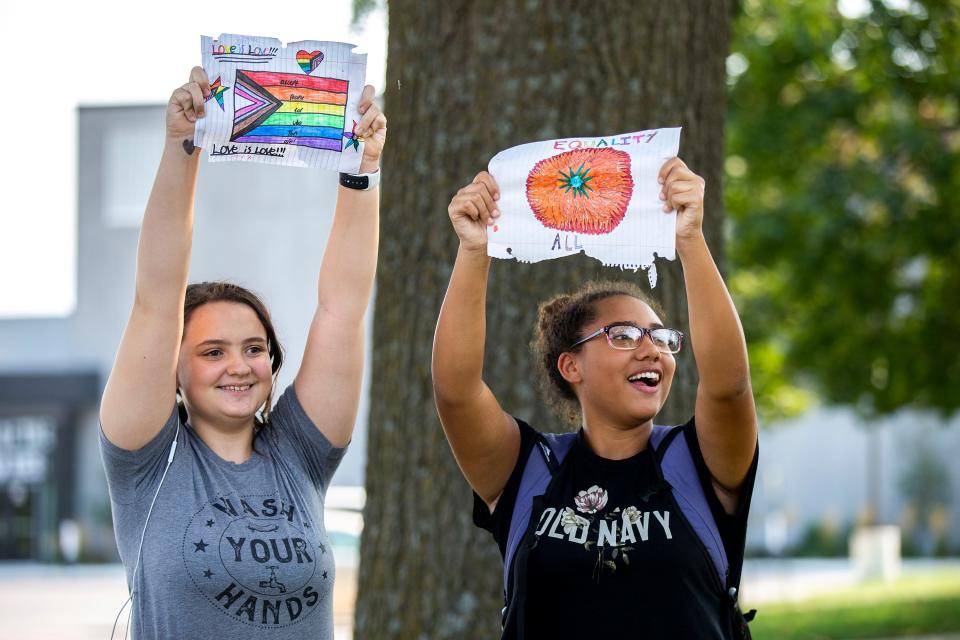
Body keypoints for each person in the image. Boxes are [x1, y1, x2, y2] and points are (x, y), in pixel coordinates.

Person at [99, 66, 386, 639]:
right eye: (211, 351)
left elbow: (342, 306)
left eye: (254, 348)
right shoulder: (146, 462)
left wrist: (362, 171)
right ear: (174, 371)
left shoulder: (299, 453)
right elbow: (156, 301)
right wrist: (182, 145)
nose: (238, 365)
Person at [432, 159, 759, 639]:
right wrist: (474, 250)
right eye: (624, 335)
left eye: (662, 338)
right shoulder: (530, 470)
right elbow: (455, 392)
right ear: (571, 366)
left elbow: (729, 387)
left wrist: (689, 240)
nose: (652, 349)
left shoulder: (696, 461)